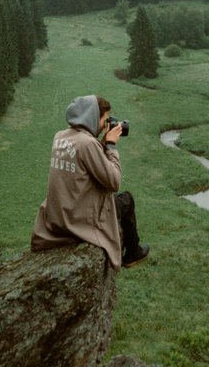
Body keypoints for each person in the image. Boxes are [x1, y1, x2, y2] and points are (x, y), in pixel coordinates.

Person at [31, 94, 149, 268]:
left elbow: (84, 161)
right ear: (93, 117)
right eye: (105, 120)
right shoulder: (87, 144)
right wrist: (110, 146)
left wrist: (100, 144)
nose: (105, 126)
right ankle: (133, 253)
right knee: (127, 200)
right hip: (79, 219)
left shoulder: (60, 136)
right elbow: (114, 182)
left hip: (59, 214)